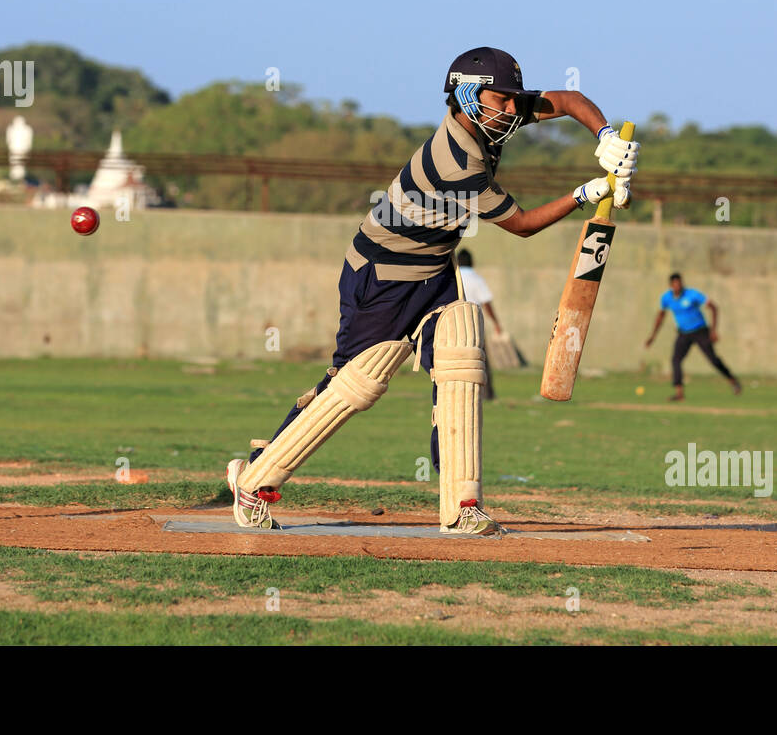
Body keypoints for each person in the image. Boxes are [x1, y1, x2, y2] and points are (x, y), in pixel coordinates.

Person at [227, 46, 639, 534]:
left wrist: (606, 136)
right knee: (356, 383)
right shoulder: (456, 162)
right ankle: (256, 477)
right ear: (465, 94)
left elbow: (568, 99)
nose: (509, 110)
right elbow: (523, 225)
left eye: (512, 101)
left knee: (461, 347)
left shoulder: (488, 117)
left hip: (435, 269)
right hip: (381, 275)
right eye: (499, 100)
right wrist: (584, 194)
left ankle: (462, 505)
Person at [643, 273, 742, 402]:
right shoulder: (666, 298)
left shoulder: (692, 294)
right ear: (671, 285)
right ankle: (679, 394)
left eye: (679, 283)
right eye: (675, 284)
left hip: (700, 331)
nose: (678, 286)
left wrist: (713, 331)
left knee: (713, 360)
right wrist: (653, 336)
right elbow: (661, 316)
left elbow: (713, 307)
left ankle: (733, 381)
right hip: (683, 333)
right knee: (675, 360)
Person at [455, 249, 502, 399]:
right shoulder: (476, 279)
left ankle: (458, 393)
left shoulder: (453, 276)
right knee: (480, 359)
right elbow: (486, 302)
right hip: (473, 322)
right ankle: (486, 394)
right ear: (472, 261)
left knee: (456, 360)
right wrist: (495, 322)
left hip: (455, 321)